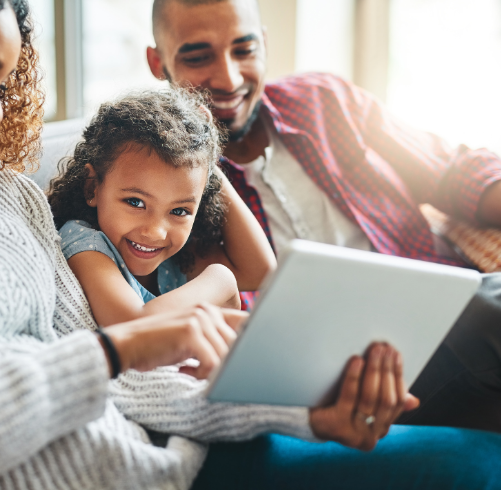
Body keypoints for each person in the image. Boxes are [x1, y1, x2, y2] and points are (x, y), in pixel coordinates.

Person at [0, 1, 501, 490]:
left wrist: (305, 415)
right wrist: (126, 347)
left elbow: (124, 386)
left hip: (160, 462)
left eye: (5, 82)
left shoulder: (0, 190)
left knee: (481, 462)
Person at [147, 0, 501, 433]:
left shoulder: (324, 102)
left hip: (437, 328)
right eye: (198, 57)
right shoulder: (160, 182)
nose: (229, 77)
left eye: (244, 49)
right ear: (157, 62)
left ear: (265, 45)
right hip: (318, 386)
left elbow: (451, 169)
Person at [48, 88, 276, 326]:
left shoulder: (172, 261)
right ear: (92, 188)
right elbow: (134, 327)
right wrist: (222, 280)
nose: (156, 232)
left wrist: (207, 159)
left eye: (179, 211)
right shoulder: (85, 243)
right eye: (136, 202)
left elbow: (260, 271)